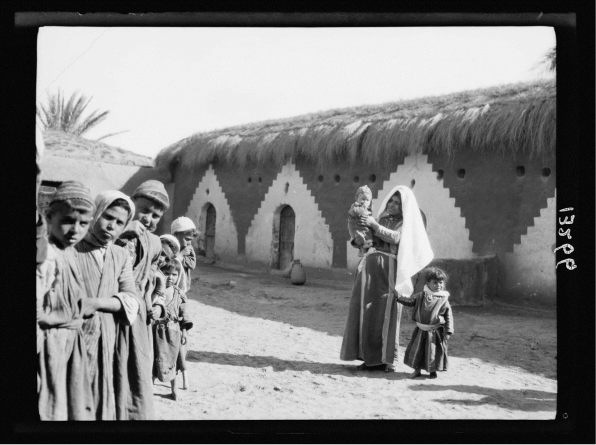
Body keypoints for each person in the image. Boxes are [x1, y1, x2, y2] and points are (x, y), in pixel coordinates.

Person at [340, 185, 433, 373]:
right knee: (366, 312)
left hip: (388, 270)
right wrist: (359, 236)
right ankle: (368, 358)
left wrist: (374, 225)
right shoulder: (380, 217)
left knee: (386, 313)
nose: (392, 205)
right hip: (369, 269)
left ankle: (386, 359)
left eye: (397, 203)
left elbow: (397, 238)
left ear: (403, 206)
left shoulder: (405, 223)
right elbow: (366, 238)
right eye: (391, 200)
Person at [74, 191, 144, 420]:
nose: (111, 226)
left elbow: (132, 299)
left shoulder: (121, 255)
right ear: (95, 213)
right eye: (108, 217)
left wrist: (96, 303)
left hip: (106, 339)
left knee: (101, 400)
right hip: (74, 339)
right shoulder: (72, 248)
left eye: (119, 222)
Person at [37, 181, 96, 420]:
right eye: (67, 221)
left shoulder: (69, 250)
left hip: (71, 344)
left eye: (83, 224)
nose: (75, 230)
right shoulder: (47, 255)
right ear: (49, 217)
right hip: (50, 344)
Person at [114, 180, 170, 419]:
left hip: (140, 316)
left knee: (137, 365)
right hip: (113, 307)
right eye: (145, 210)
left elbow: (159, 274)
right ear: (131, 202)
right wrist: (120, 233)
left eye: (156, 216)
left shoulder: (156, 242)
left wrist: (157, 300)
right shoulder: (112, 230)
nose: (149, 219)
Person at [396, 267, 454, 379]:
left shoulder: (444, 299)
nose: (438, 285)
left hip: (435, 332)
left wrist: (448, 331)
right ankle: (417, 370)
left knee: (432, 352)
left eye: (441, 283)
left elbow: (449, 316)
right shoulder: (421, 295)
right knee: (418, 351)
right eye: (435, 283)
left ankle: (433, 372)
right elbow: (410, 301)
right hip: (421, 331)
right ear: (428, 283)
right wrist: (398, 297)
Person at [152, 258, 193, 399]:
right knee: (153, 359)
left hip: (172, 333)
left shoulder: (179, 294)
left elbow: (184, 315)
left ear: (179, 276)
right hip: (155, 332)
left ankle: (174, 390)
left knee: (172, 361)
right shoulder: (155, 291)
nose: (170, 277)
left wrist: (184, 332)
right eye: (167, 273)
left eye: (174, 274)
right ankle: (148, 389)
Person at [171, 216, 199, 293]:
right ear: (175, 235)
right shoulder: (169, 246)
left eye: (190, 240)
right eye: (186, 239)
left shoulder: (189, 248)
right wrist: (181, 254)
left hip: (183, 283)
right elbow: (168, 262)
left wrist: (182, 259)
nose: (189, 242)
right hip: (170, 281)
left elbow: (192, 264)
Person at [348, 185, 375, 257]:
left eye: (367, 200)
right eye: (362, 199)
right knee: (363, 241)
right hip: (358, 231)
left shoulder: (367, 211)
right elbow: (356, 212)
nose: (365, 202)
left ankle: (365, 251)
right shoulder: (355, 207)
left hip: (364, 231)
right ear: (356, 198)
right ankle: (364, 251)